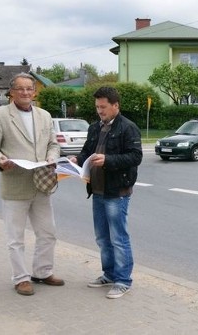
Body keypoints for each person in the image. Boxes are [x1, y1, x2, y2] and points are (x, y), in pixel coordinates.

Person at [0, 72, 65, 296]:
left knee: (48, 233)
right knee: (16, 238)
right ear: (12, 91)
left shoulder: (45, 115)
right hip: (15, 184)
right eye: (20, 88)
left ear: (34, 91)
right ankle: (21, 279)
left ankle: (42, 271)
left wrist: (51, 157)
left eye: (29, 88)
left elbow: (53, 144)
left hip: (42, 184)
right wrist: (0, 160)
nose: (26, 92)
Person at [72, 86, 143, 299]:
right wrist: (77, 159)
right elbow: (86, 151)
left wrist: (108, 160)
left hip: (117, 191)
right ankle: (109, 274)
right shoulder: (95, 128)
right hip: (97, 189)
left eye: (103, 107)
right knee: (102, 237)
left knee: (118, 237)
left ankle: (123, 280)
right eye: (97, 107)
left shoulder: (128, 128)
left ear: (115, 106)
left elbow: (135, 157)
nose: (99, 111)